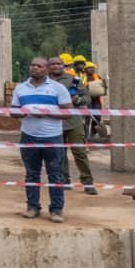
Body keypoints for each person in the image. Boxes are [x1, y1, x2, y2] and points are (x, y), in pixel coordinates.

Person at [11, 57, 72, 223]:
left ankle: (57, 210)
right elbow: (13, 112)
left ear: (46, 70)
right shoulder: (21, 88)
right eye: (33, 65)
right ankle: (32, 207)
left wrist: (47, 114)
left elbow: (69, 113)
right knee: (31, 174)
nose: (35, 68)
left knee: (56, 175)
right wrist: (24, 112)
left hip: (52, 137)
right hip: (29, 136)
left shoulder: (57, 88)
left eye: (39, 66)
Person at [48, 56, 96, 195]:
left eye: (58, 64)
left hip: (73, 122)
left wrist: (78, 99)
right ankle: (64, 180)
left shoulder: (73, 80)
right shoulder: (44, 81)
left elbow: (86, 97)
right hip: (54, 122)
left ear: (63, 65)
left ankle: (88, 182)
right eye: (52, 64)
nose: (55, 66)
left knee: (80, 153)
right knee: (59, 154)